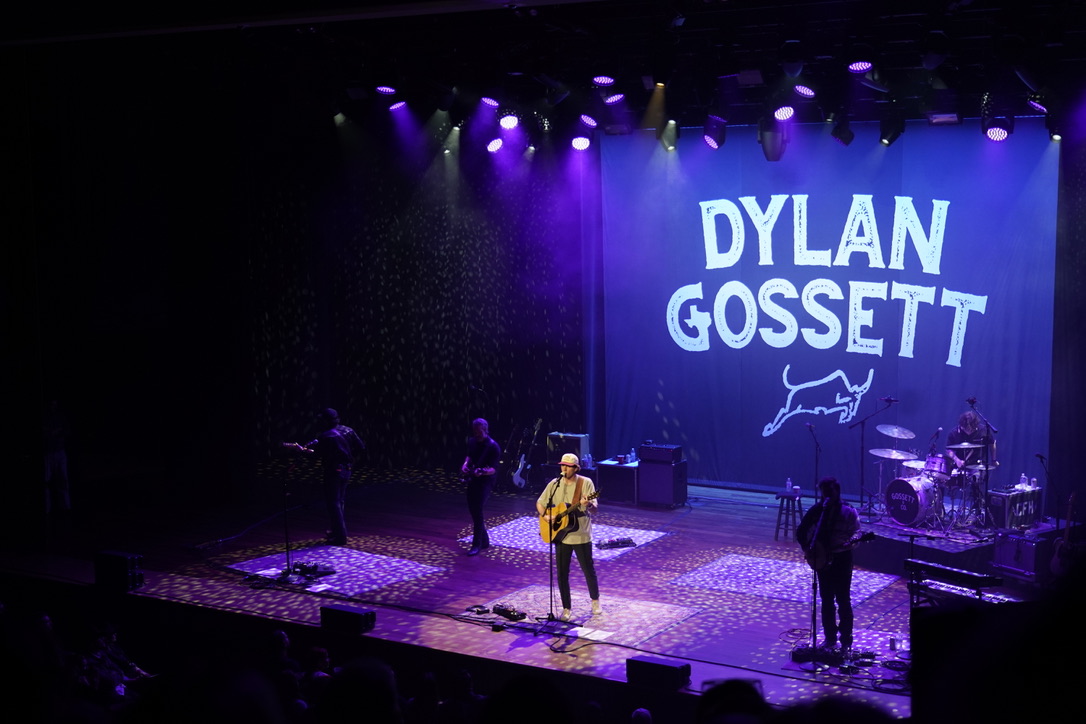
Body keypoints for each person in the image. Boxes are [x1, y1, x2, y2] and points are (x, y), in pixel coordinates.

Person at [796, 477, 861, 653]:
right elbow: (800, 531)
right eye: (823, 494)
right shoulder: (818, 510)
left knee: (843, 600)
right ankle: (830, 639)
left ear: (837, 492)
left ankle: (846, 640)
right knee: (826, 601)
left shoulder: (848, 511)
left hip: (842, 559)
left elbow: (857, 532)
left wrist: (852, 542)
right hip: (822, 561)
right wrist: (808, 550)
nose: (826, 498)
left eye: (829, 493)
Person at [535, 453, 601, 621]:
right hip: (561, 536)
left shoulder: (585, 483)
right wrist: (545, 516)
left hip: (581, 535)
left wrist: (588, 505)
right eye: (562, 465)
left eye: (568, 466)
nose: (564, 468)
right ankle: (566, 608)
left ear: (576, 468)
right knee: (561, 573)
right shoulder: (554, 484)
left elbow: (594, 509)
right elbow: (540, 502)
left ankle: (595, 601)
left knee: (588, 570)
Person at [286, 408, 365, 546]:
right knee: (339, 502)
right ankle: (337, 532)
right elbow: (361, 447)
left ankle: (340, 537)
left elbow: (315, 456)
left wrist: (302, 451)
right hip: (347, 468)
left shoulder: (326, 436)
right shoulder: (348, 430)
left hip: (333, 471)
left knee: (334, 503)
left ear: (326, 421)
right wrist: (348, 456)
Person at [462, 418, 500, 556]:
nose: (476, 435)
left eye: (479, 432)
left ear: (485, 430)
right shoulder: (472, 442)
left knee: (477, 510)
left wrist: (483, 472)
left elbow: (494, 469)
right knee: (473, 510)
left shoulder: (493, 446)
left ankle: (476, 544)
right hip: (473, 479)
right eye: (475, 432)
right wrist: (465, 465)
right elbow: (469, 456)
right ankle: (484, 540)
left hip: (486, 482)